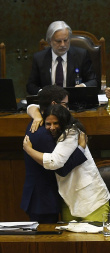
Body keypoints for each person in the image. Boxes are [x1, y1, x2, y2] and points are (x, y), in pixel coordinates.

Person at [23, 104, 110, 222]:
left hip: (91, 200)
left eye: (56, 123)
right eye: (48, 124)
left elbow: (54, 163)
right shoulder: (52, 134)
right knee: (69, 239)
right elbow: (32, 105)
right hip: (69, 201)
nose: (52, 127)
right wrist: (37, 116)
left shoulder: (72, 132)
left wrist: (29, 150)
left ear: (63, 122)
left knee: (95, 239)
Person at [21, 85, 87, 223]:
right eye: (65, 104)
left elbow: (32, 106)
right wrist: (81, 148)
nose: (68, 108)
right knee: (45, 240)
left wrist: (35, 112)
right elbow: (60, 168)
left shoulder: (36, 121)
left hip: (38, 195)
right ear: (54, 104)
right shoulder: (45, 133)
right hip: (43, 200)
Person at [26, 21, 97, 95]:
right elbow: (31, 86)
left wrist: (82, 86)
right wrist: (43, 93)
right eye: (58, 41)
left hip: (73, 101)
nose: (63, 45)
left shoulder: (81, 55)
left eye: (66, 40)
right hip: (49, 103)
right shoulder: (39, 58)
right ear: (50, 41)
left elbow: (93, 81)